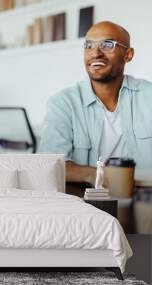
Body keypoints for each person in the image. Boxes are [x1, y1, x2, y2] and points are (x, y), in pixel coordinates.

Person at [40, 21, 152, 186]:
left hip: (144, 198)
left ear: (128, 55)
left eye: (107, 44)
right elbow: (49, 164)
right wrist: (97, 175)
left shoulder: (148, 96)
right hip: (84, 201)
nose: (95, 53)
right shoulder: (62, 103)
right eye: (89, 45)